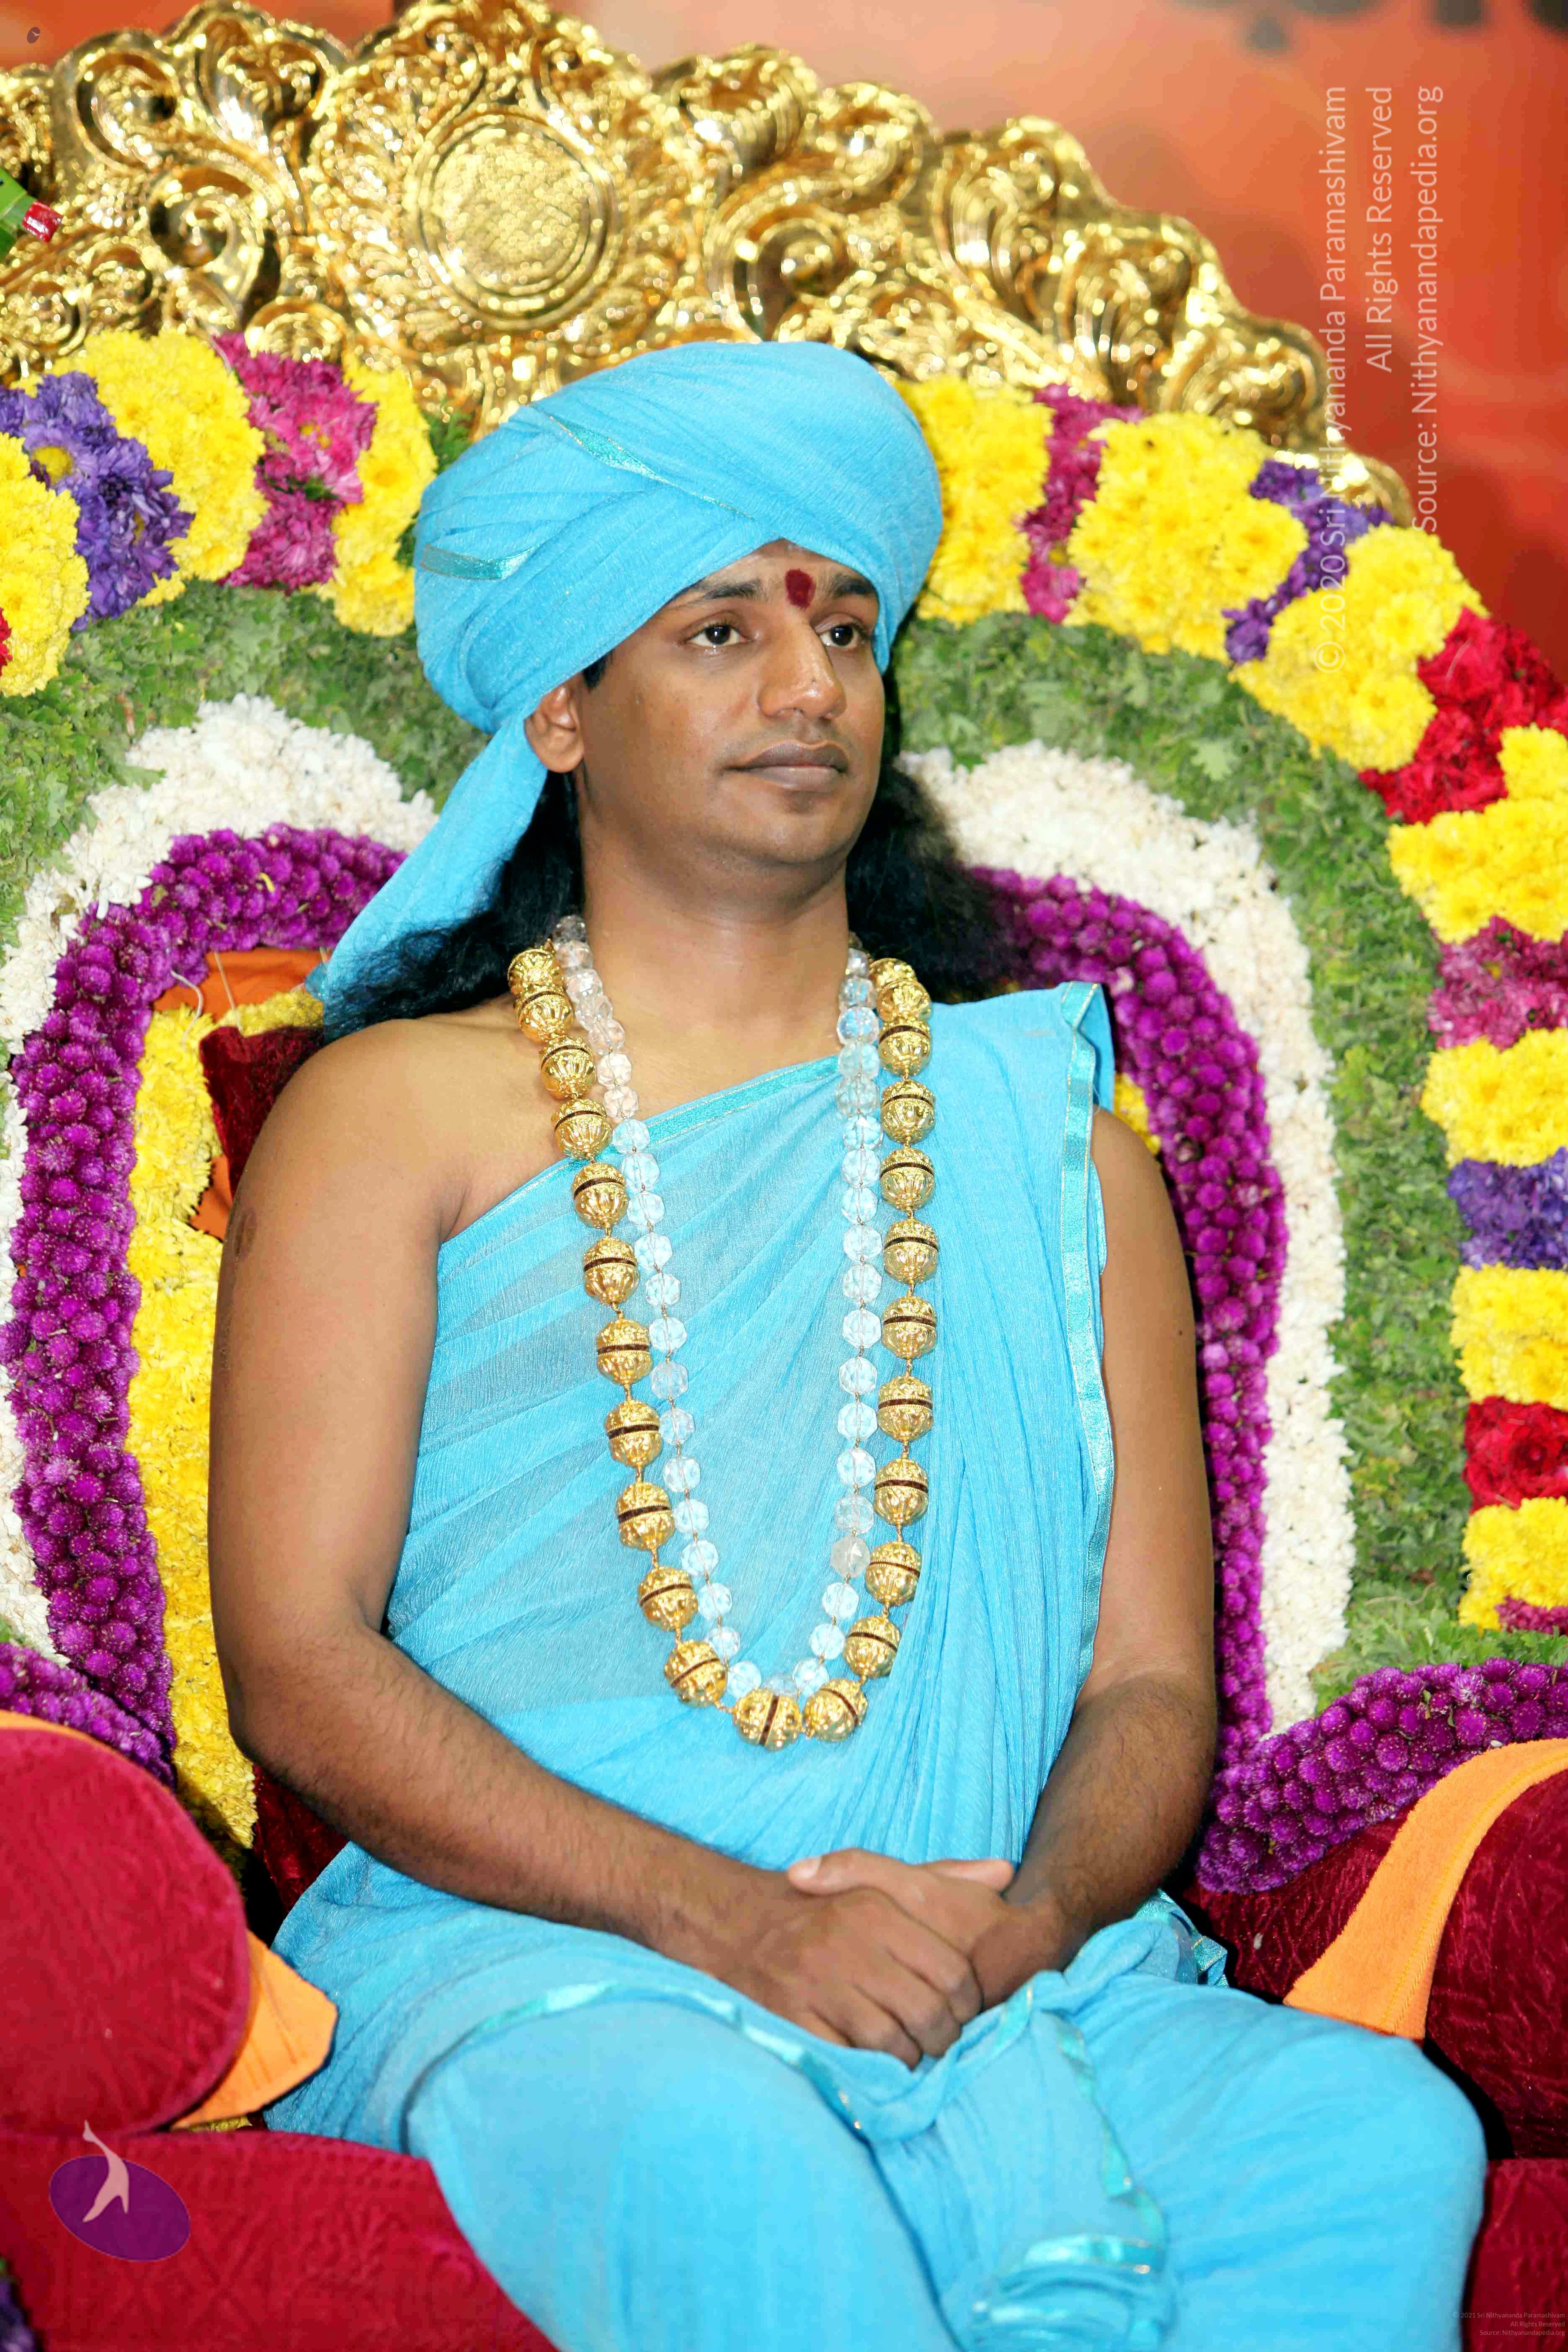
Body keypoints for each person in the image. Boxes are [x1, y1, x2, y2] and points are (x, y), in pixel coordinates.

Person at [209, 340, 1485, 2352]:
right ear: (562, 709)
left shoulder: (1058, 1148)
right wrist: (729, 1921)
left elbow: (1150, 1682)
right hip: (546, 1960)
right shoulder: (397, 1118)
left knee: (1369, 2139)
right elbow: (300, 1664)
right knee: (724, 2157)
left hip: (999, 1966)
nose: (807, 687)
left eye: (844, 629)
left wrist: (1026, 1930)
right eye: (721, 630)